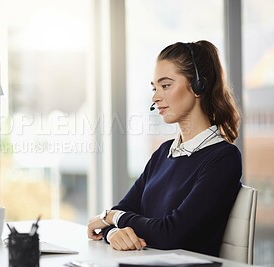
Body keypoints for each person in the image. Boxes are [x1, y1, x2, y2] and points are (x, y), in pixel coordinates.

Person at [87, 40, 242, 257]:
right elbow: (122, 210)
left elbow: (170, 233)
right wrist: (112, 232)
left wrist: (112, 219)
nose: (155, 97)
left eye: (166, 85)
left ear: (199, 86)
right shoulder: (164, 152)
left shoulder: (223, 158)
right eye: (154, 88)